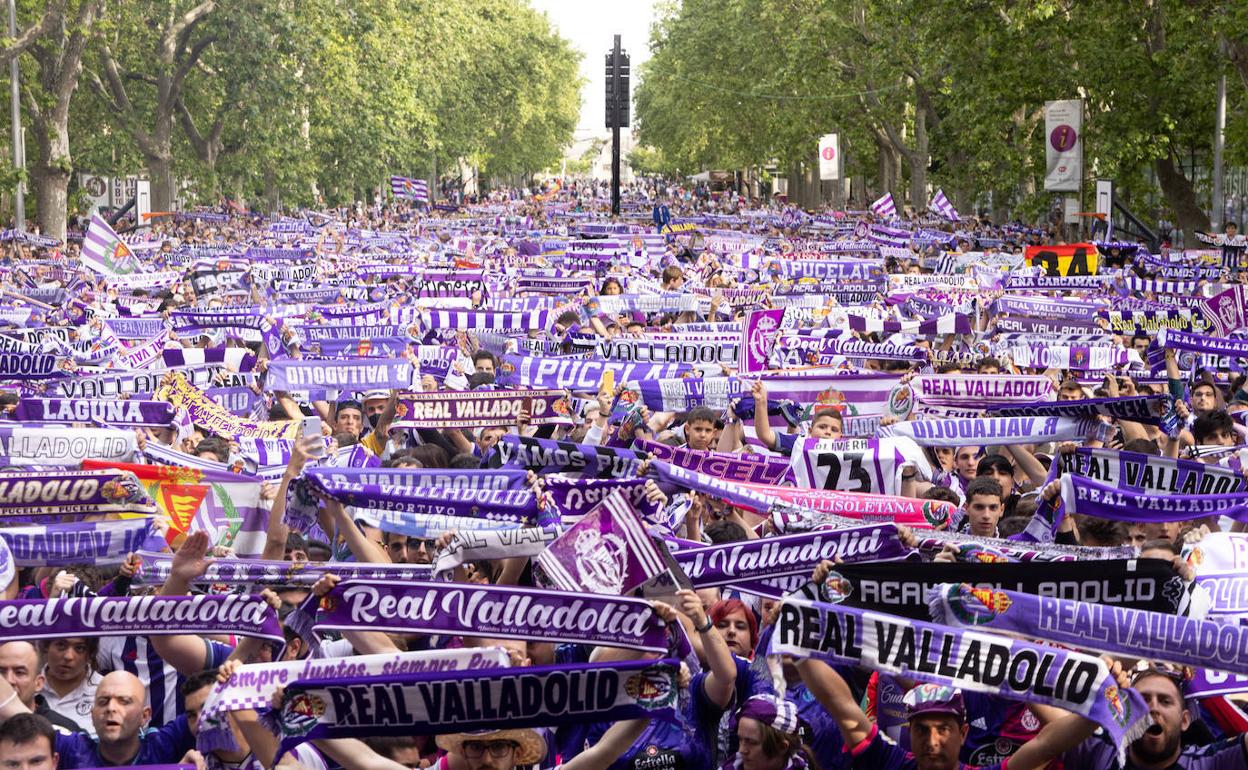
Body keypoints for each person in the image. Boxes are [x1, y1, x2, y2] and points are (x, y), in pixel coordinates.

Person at [796, 659, 1102, 770]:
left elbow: (1049, 744)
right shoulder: (887, 760)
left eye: (944, 728)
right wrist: (798, 646)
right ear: (909, 730)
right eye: (922, 729)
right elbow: (840, 704)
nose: (932, 741)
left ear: (963, 733)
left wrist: (1103, 705)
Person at [0, 643, 81, 734]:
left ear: (38, 683)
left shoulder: (63, 731)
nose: (8, 680)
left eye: (19, 672)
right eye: (1, 672)